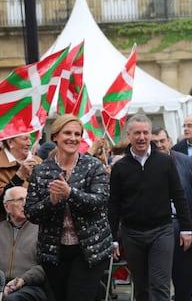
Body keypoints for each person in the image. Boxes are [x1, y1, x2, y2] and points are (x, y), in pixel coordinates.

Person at [24, 114, 113, 301]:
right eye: (67, 133)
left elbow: (100, 203)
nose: (73, 138)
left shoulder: (93, 166)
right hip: (54, 251)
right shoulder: (42, 170)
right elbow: (31, 212)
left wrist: (70, 193)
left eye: (77, 134)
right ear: (55, 136)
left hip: (90, 249)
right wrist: (52, 201)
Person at [109, 114, 192, 301]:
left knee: (160, 286)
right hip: (132, 234)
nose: (141, 137)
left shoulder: (165, 161)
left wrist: (186, 228)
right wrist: (113, 238)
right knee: (141, 288)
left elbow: (179, 195)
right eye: (137, 133)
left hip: (161, 231)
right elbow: (114, 204)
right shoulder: (120, 167)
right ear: (129, 135)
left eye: (145, 132)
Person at [151, 127, 192, 301]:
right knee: (157, 284)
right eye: (155, 142)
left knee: (184, 280)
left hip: (183, 228)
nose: (160, 145)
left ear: (169, 141)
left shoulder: (185, 162)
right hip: (155, 230)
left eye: (162, 141)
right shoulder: (144, 165)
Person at [0, 186, 47, 301]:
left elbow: (47, 266)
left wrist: (22, 280)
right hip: (1, 284)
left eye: (28, 200)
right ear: (7, 207)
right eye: (20, 199)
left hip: (30, 286)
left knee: (13, 299)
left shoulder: (43, 230)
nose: (25, 204)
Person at [0, 134, 41, 221]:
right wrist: (19, 176)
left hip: (36, 226)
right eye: (25, 139)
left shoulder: (39, 161)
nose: (29, 143)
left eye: (30, 139)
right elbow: (2, 203)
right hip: (6, 229)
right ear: (10, 142)